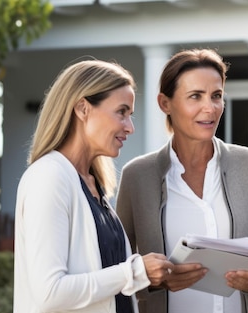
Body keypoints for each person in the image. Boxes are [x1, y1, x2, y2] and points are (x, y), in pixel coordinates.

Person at [13, 59, 174, 313]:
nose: (130, 127)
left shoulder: (93, 185)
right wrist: (135, 271)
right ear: (82, 108)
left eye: (130, 115)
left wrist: (153, 276)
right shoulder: (49, 177)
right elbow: (50, 293)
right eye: (121, 112)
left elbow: (104, 280)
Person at [116, 48, 248, 313]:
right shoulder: (137, 176)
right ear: (165, 103)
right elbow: (117, 268)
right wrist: (153, 280)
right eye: (195, 96)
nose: (209, 108)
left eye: (216, 96)